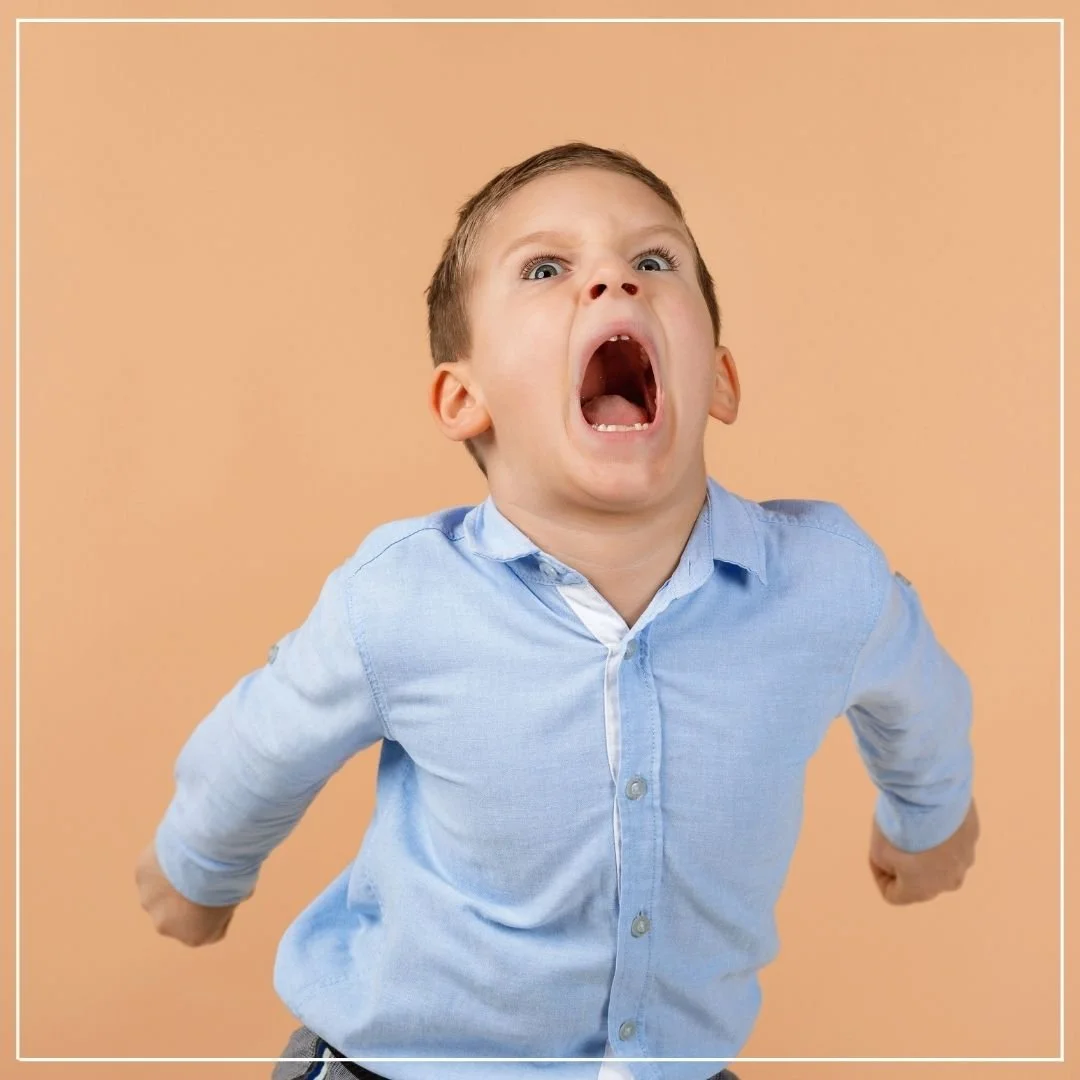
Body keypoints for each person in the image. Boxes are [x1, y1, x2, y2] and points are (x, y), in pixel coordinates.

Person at [135, 142, 979, 1080]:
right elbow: (263, 743)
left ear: (720, 380)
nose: (614, 280)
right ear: (466, 399)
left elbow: (921, 696)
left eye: (653, 259)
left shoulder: (821, 580)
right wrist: (198, 872)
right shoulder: (404, 598)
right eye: (546, 269)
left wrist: (931, 821)